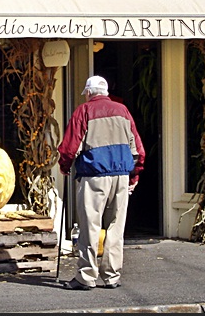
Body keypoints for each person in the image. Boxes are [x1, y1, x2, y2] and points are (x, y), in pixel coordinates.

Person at [58, 75, 145, 290]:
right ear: (105, 92)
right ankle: (111, 275)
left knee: (90, 225)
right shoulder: (123, 111)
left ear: (88, 92)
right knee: (117, 226)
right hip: (121, 175)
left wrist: (65, 166)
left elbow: (70, 146)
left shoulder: (84, 111)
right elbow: (137, 147)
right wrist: (134, 174)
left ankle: (86, 276)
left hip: (94, 175)